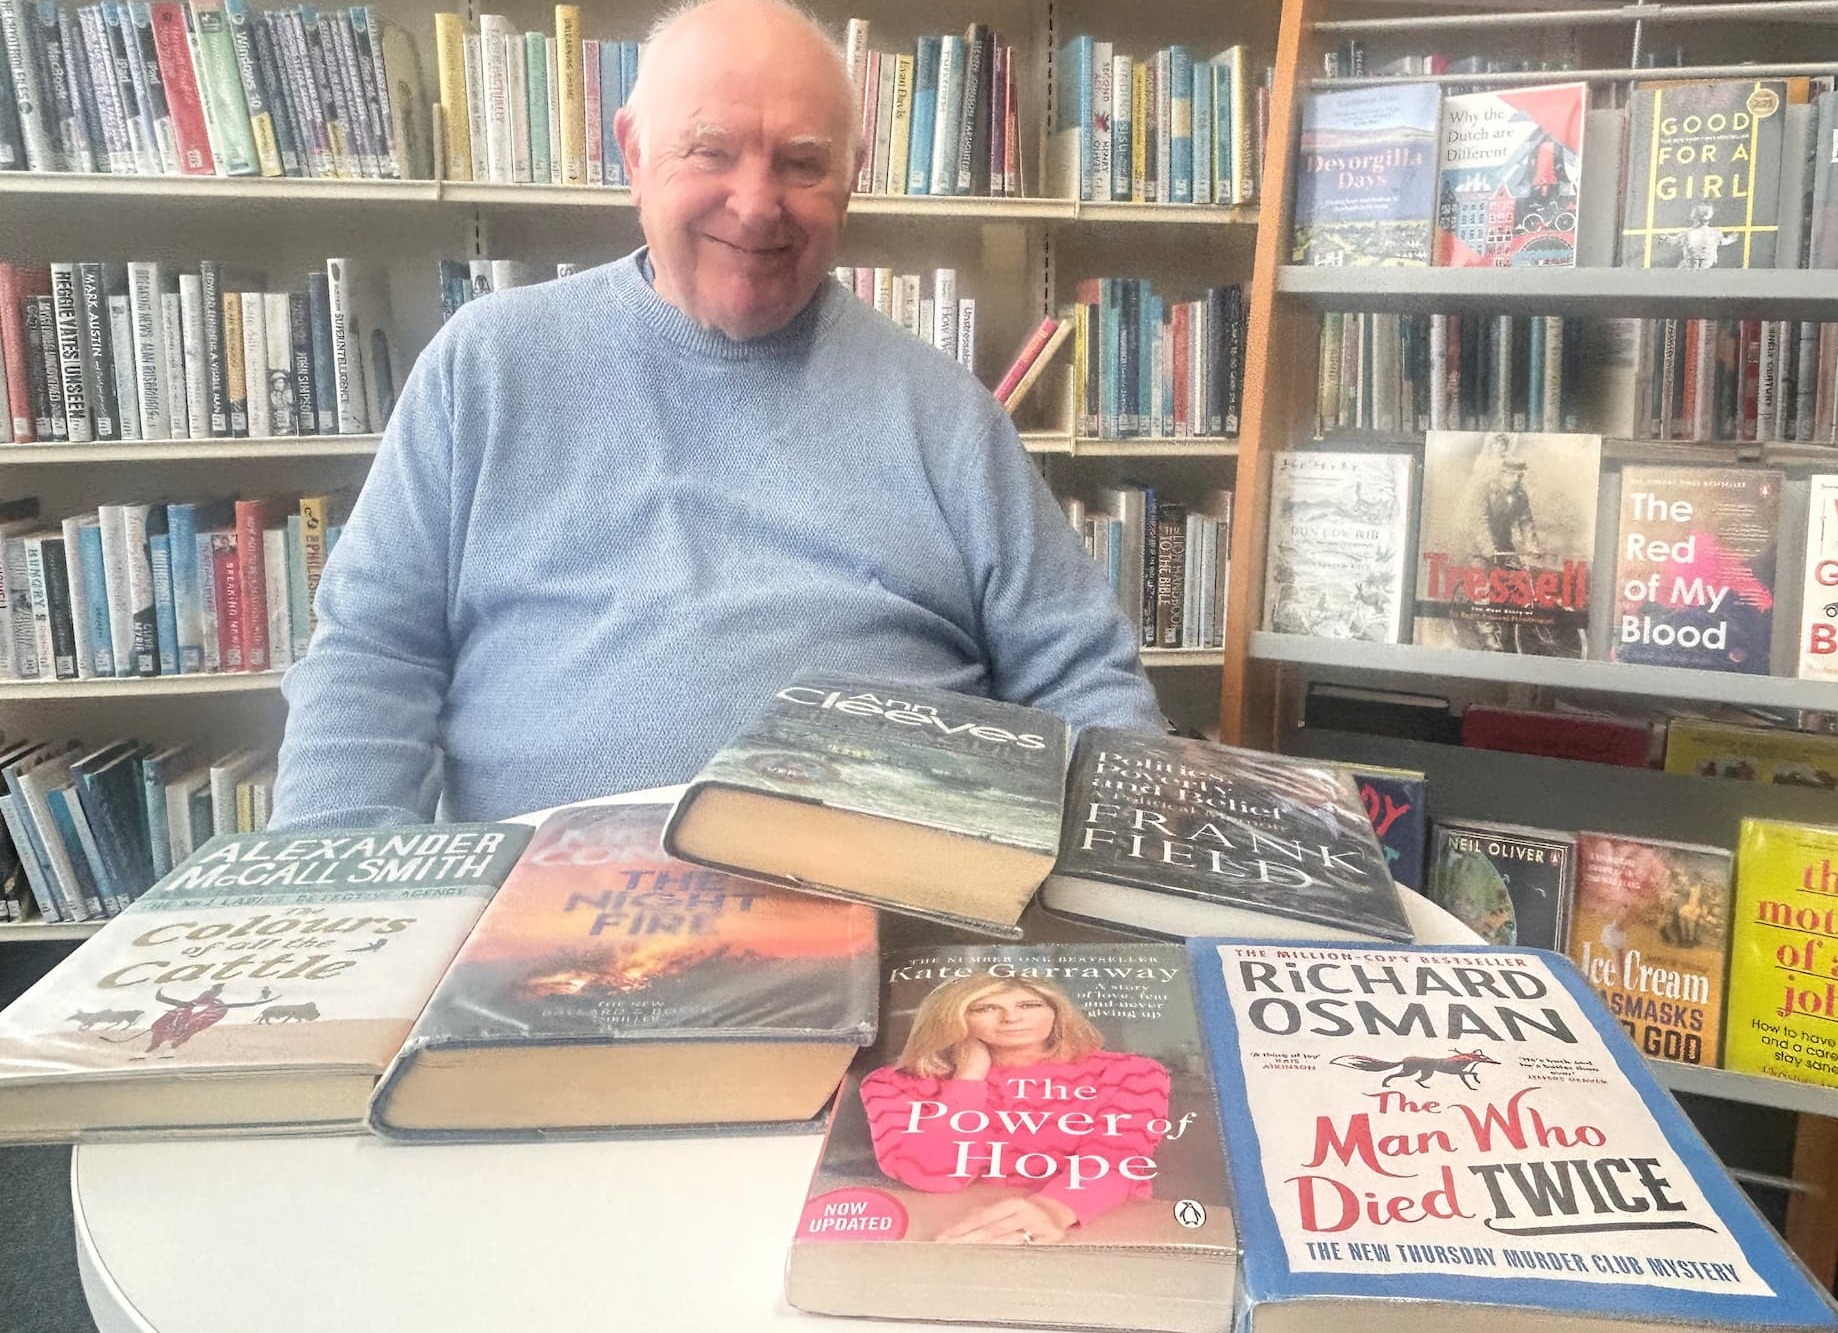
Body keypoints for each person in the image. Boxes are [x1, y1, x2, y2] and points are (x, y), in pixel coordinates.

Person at [269, 0, 1162, 830]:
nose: (756, 202)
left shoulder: (948, 417)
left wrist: (1124, 898)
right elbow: (372, 659)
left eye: (801, 162)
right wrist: (340, 900)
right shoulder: (485, 369)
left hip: (882, 911)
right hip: (542, 932)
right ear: (632, 155)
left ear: (851, 177)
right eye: (711, 150)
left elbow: (1082, 679)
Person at [859, 974, 1170, 1244]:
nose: (1011, 1018)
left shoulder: (1133, 1071)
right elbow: (934, 1177)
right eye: (986, 1008)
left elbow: (1115, 1159)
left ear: (1056, 1012)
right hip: (949, 1227)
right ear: (952, 1018)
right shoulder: (893, 1083)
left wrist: (1052, 1209)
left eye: (1029, 1005)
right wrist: (969, 1078)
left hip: (1093, 1228)